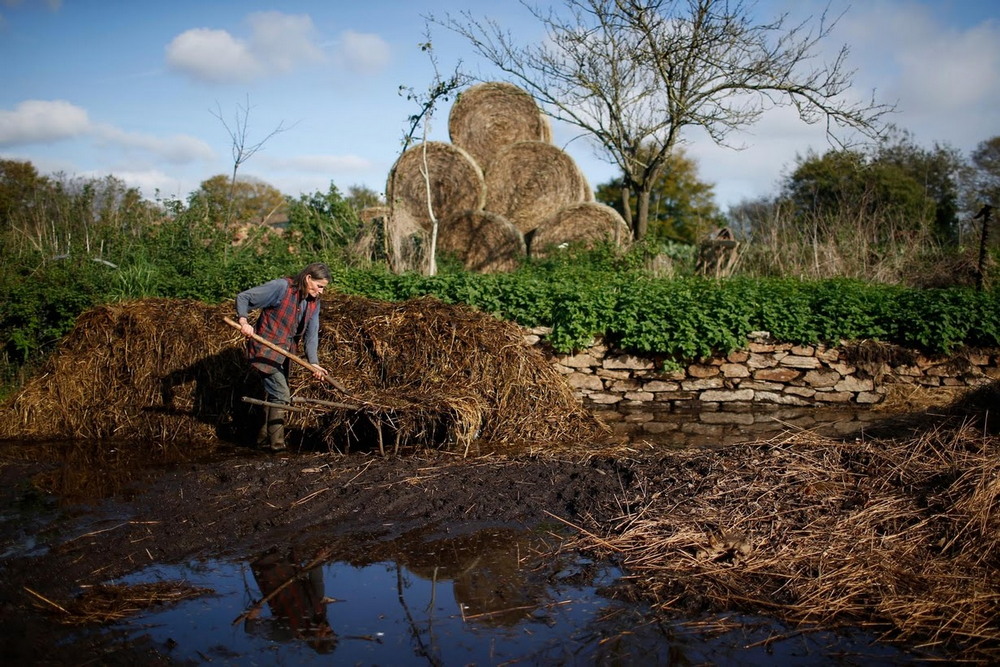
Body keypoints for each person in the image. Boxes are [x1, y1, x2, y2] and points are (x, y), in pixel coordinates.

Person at [235, 262, 331, 451]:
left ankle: (263, 441)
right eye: (319, 286)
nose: (321, 291)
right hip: (265, 350)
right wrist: (244, 321)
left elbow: (311, 335)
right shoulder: (281, 287)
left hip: (285, 354)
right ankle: (277, 446)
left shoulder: (313, 303)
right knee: (281, 394)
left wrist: (314, 363)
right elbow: (244, 297)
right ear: (308, 278)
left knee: (274, 395)